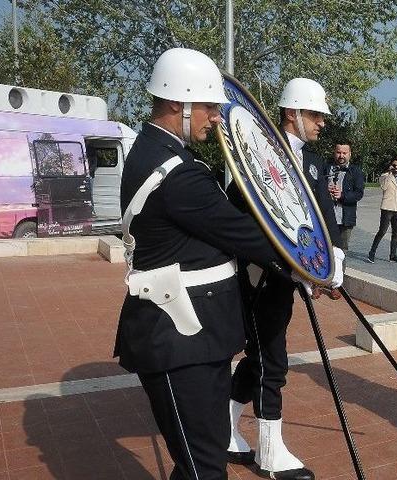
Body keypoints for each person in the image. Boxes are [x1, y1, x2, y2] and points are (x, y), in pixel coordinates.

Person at [115, 47, 291, 480]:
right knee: (204, 469)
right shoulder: (177, 173)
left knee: (203, 458)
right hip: (177, 339)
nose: (217, 117)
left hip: (194, 333)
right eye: (211, 106)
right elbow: (245, 234)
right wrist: (312, 263)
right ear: (179, 103)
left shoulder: (162, 155)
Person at [226, 77, 344, 480]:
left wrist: (331, 267)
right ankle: (270, 455)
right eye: (314, 114)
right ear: (291, 114)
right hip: (262, 275)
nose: (321, 123)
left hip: (290, 279)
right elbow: (245, 222)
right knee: (271, 363)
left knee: (259, 356)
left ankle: (226, 429)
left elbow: (322, 217)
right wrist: (289, 266)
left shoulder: (310, 160)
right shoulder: (255, 157)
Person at [366, 158, 397, 263]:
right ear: (391, 166)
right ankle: (371, 253)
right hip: (387, 208)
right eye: (394, 165)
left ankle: (393, 255)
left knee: (396, 233)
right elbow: (383, 187)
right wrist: (389, 173)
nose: (396, 167)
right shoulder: (385, 177)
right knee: (382, 231)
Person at [326, 140, 365, 253]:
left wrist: (342, 195)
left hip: (345, 219)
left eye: (344, 153)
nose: (341, 156)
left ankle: (341, 271)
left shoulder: (356, 172)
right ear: (334, 153)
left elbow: (359, 194)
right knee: (325, 249)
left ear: (350, 154)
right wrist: (325, 190)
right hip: (327, 217)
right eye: (338, 152)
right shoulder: (325, 168)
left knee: (341, 252)